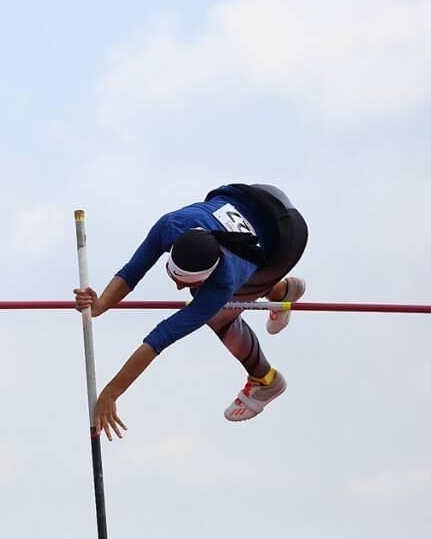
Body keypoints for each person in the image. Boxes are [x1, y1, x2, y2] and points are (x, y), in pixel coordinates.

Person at [74, 184, 308, 440]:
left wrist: (111, 392)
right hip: (257, 197)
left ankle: (266, 380)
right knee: (243, 277)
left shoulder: (221, 284)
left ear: (209, 276)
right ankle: (282, 291)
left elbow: (159, 338)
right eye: (174, 277)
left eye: (186, 283)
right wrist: (100, 305)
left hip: (288, 235)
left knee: (220, 315)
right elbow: (132, 272)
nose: (177, 288)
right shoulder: (170, 225)